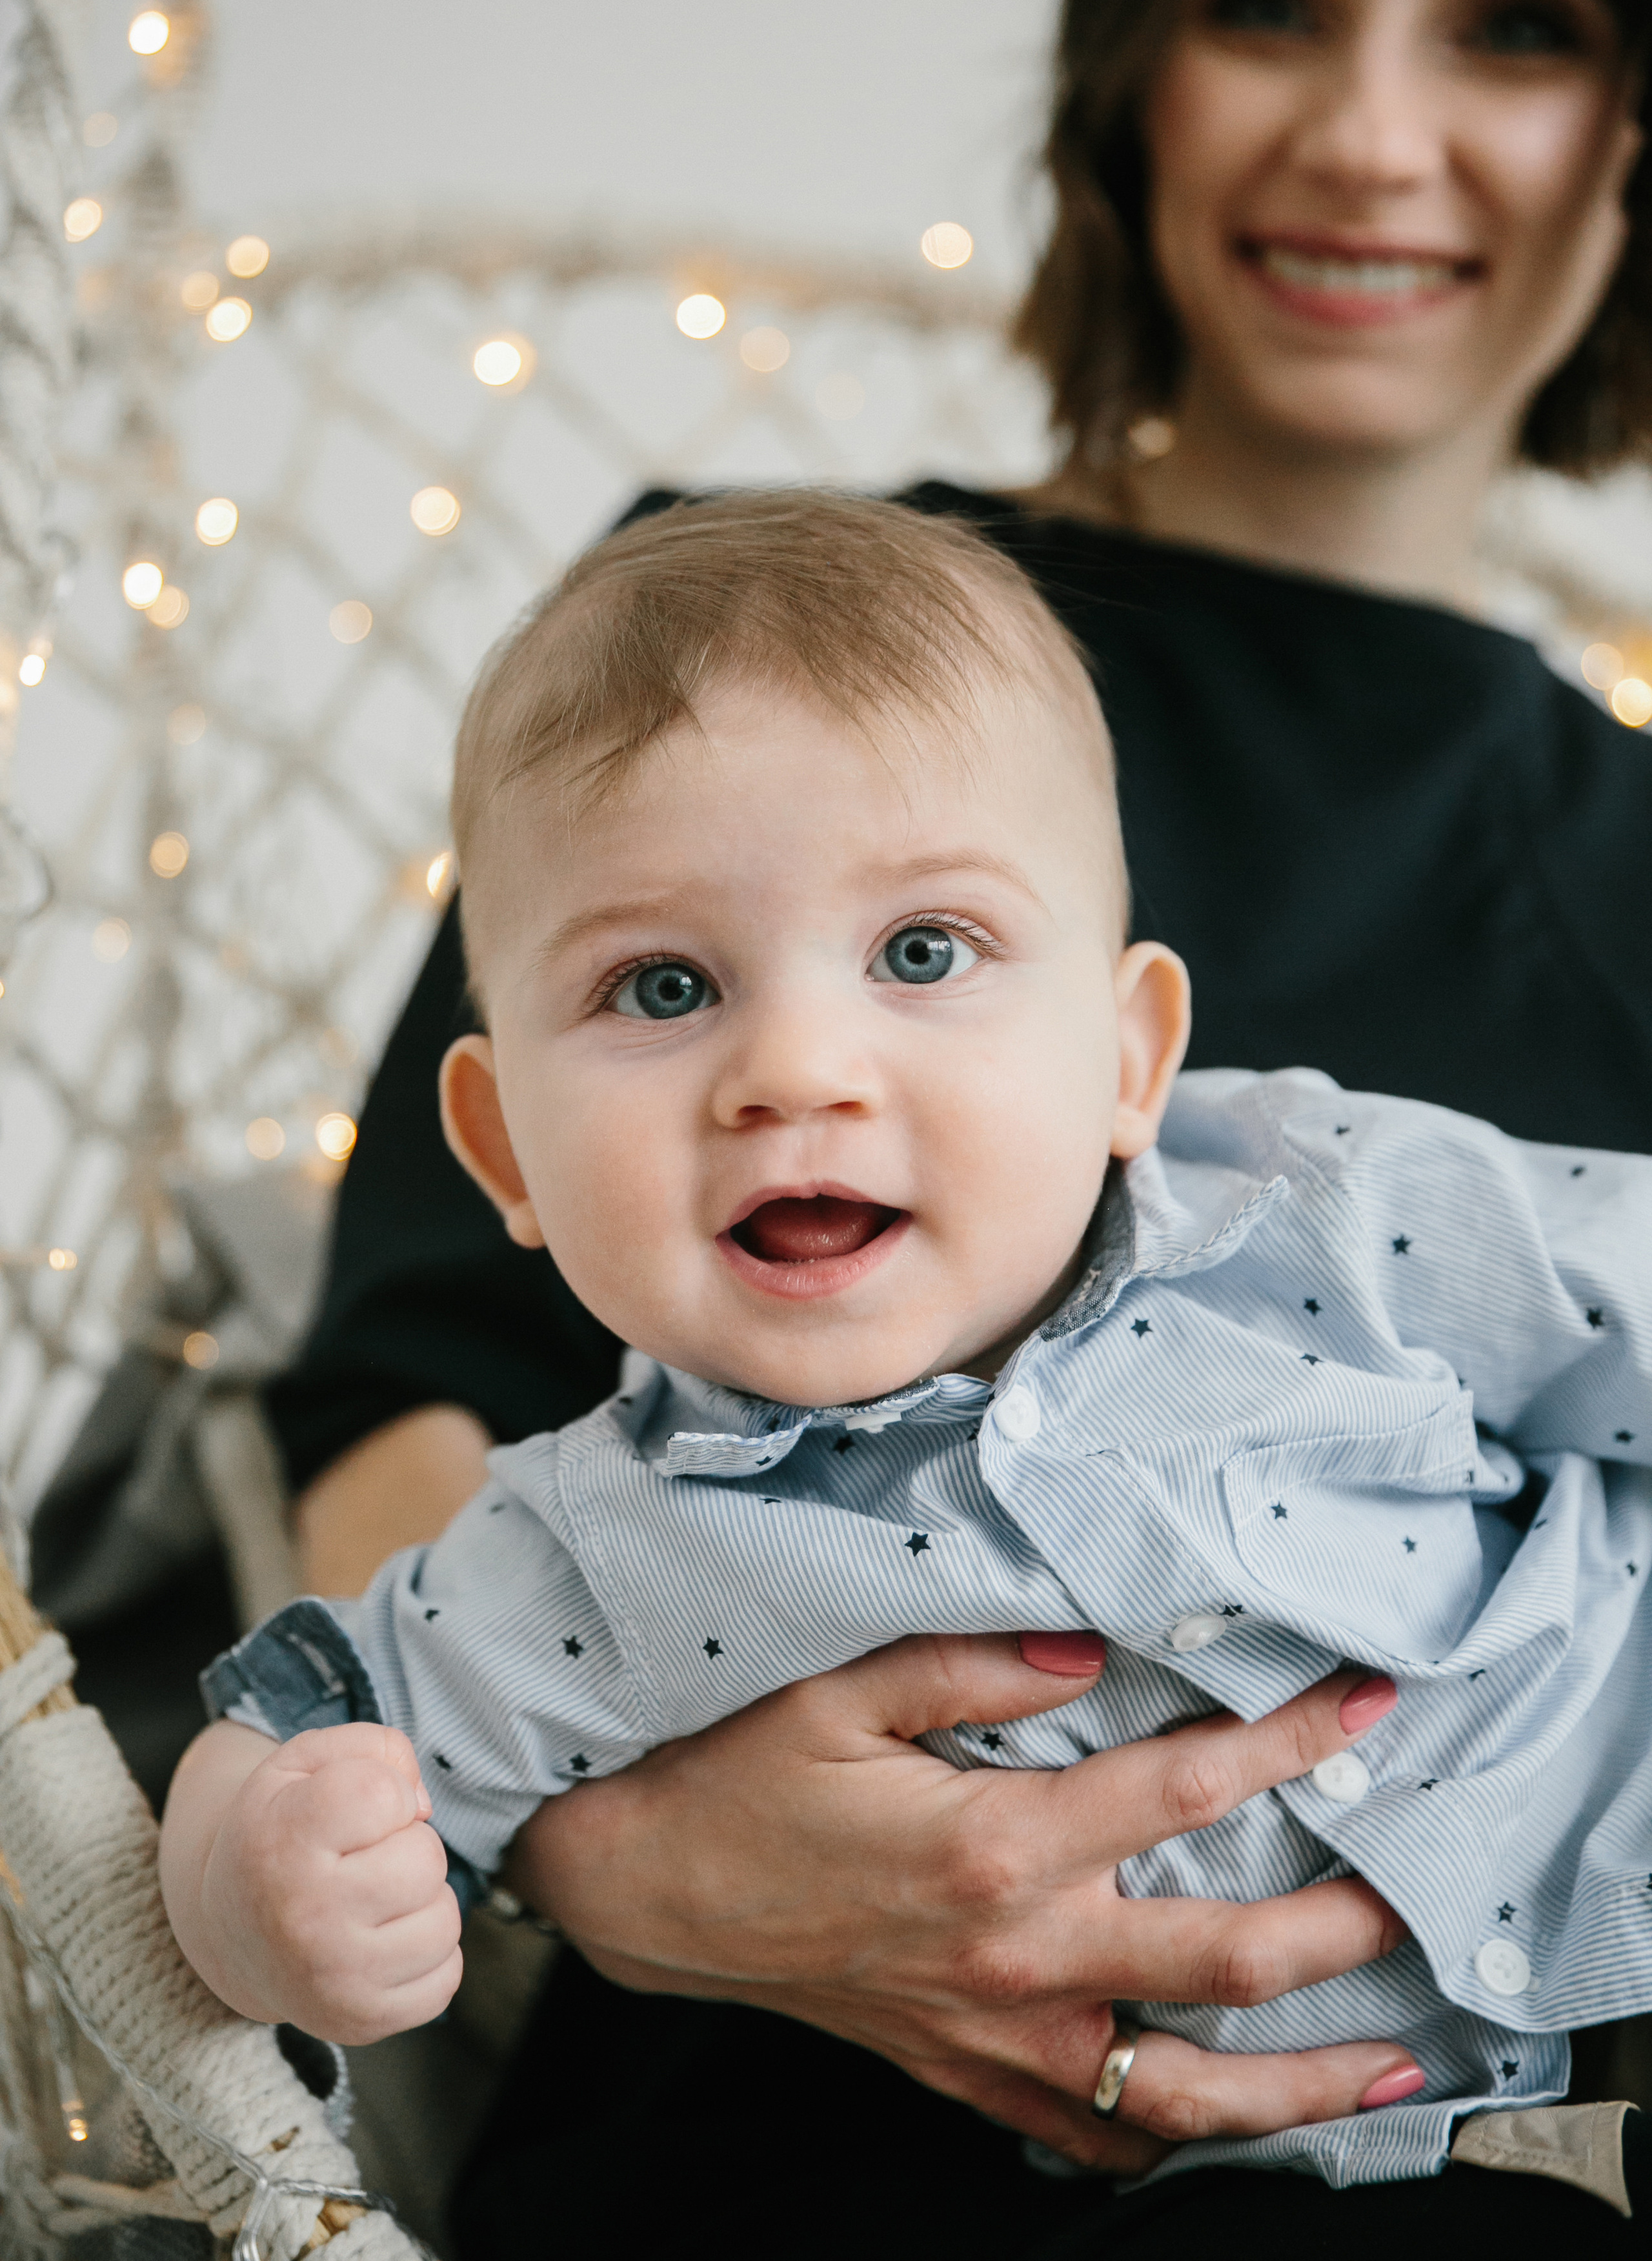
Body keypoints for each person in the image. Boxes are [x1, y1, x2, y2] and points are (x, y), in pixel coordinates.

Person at [259, 0, 1652, 2251]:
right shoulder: (734, 654)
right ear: (1131, 86)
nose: (1371, 133)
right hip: (748, 2122)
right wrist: (631, 1856)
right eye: (1266, 2)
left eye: (1517, 27)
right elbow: (403, 1398)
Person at [164, 490, 1652, 2216]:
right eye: (662, 989)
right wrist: (257, 1886)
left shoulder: (1316, 1211)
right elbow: (301, 1726)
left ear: (1128, 1058)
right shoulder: (600, 1550)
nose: (797, 1069)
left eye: (922, 953)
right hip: (1276, 2166)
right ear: (505, 1152)